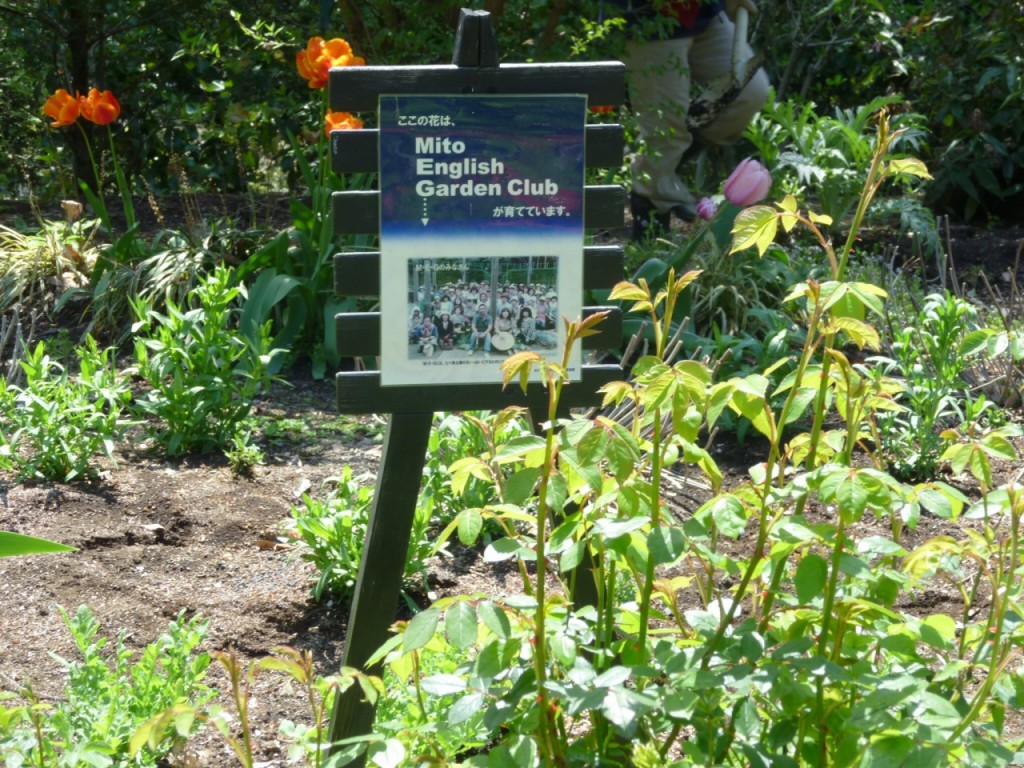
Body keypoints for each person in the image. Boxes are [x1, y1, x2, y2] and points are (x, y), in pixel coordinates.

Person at [607, 0, 770, 240]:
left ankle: (665, 168)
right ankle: (650, 232)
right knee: (665, 133)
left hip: (704, 15)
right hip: (649, 22)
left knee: (750, 93)